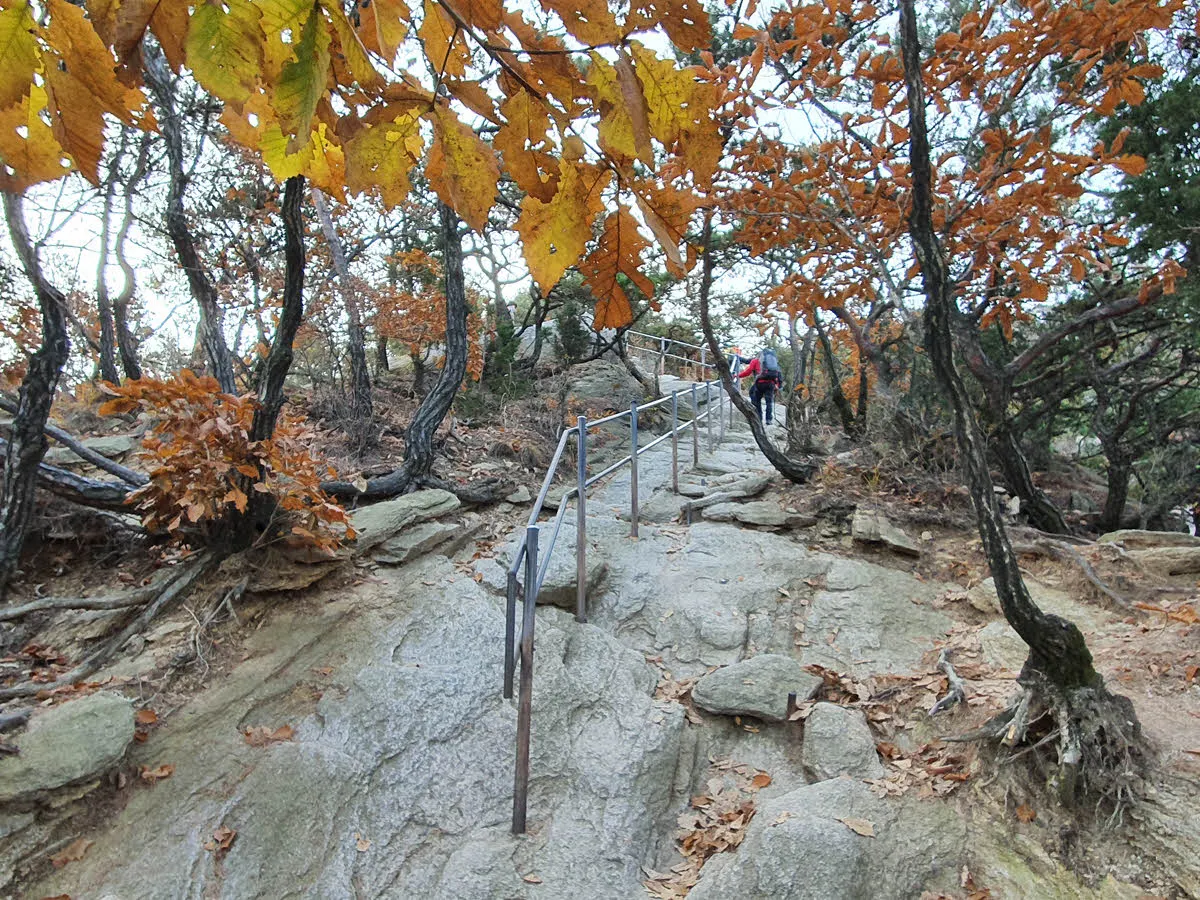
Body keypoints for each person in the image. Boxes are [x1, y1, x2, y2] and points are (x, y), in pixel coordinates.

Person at [737, 348, 783, 425]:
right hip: (771, 384)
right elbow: (779, 374)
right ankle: (769, 420)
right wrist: (779, 385)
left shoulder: (755, 361)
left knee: (757, 401)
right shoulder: (774, 363)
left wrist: (737, 376)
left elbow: (748, 372)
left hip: (760, 383)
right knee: (769, 402)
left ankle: (759, 418)